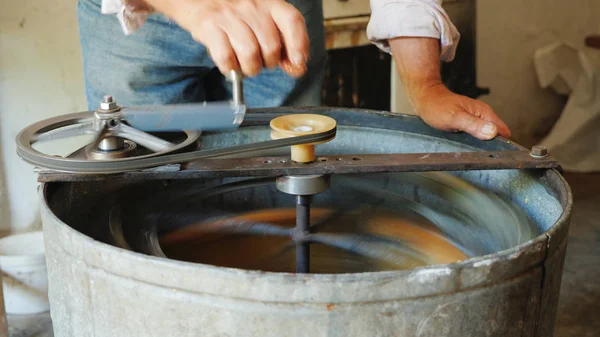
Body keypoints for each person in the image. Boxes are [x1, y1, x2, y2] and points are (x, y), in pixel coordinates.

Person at [77, 0, 511, 140]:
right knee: (139, 182)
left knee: (285, 174)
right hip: (137, 19)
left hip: (283, 15)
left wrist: (426, 84)